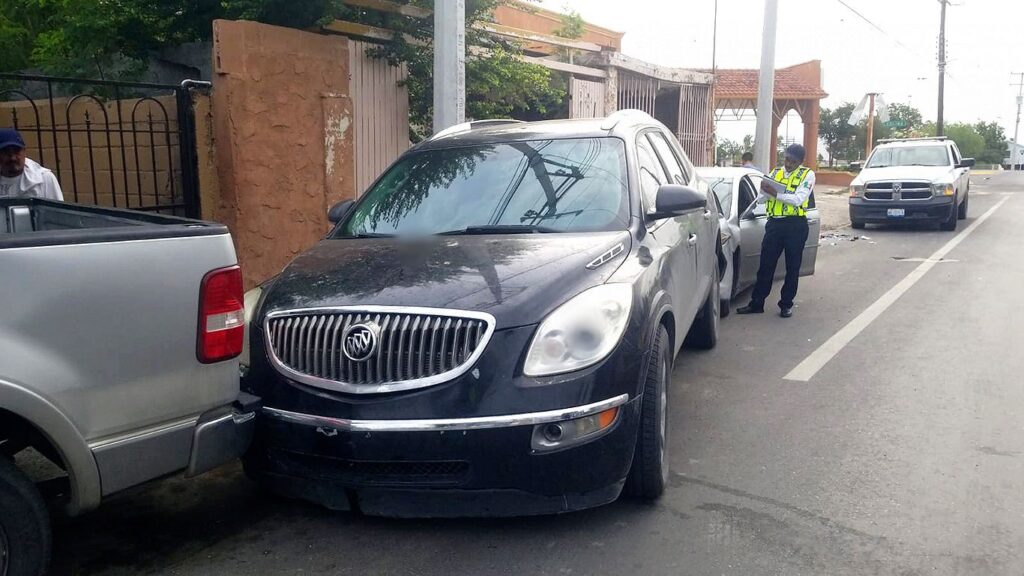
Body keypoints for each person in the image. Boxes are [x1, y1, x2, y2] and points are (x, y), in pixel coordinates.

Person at [736, 144, 814, 318]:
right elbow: (762, 198)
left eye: (792, 161)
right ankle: (757, 303)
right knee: (765, 265)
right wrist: (764, 192)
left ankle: (786, 304)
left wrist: (775, 193)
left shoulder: (807, 175)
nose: (788, 163)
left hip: (795, 226)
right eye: (786, 159)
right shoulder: (775, 173)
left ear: (800, 161)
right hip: (775, 225)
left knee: (792, 267)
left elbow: (799, 199)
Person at [0, 128, 64, 201]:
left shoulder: (44, 178)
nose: (13, 158)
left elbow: (57, 210)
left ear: (24, 151)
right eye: (6, 153)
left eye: (17, 151)